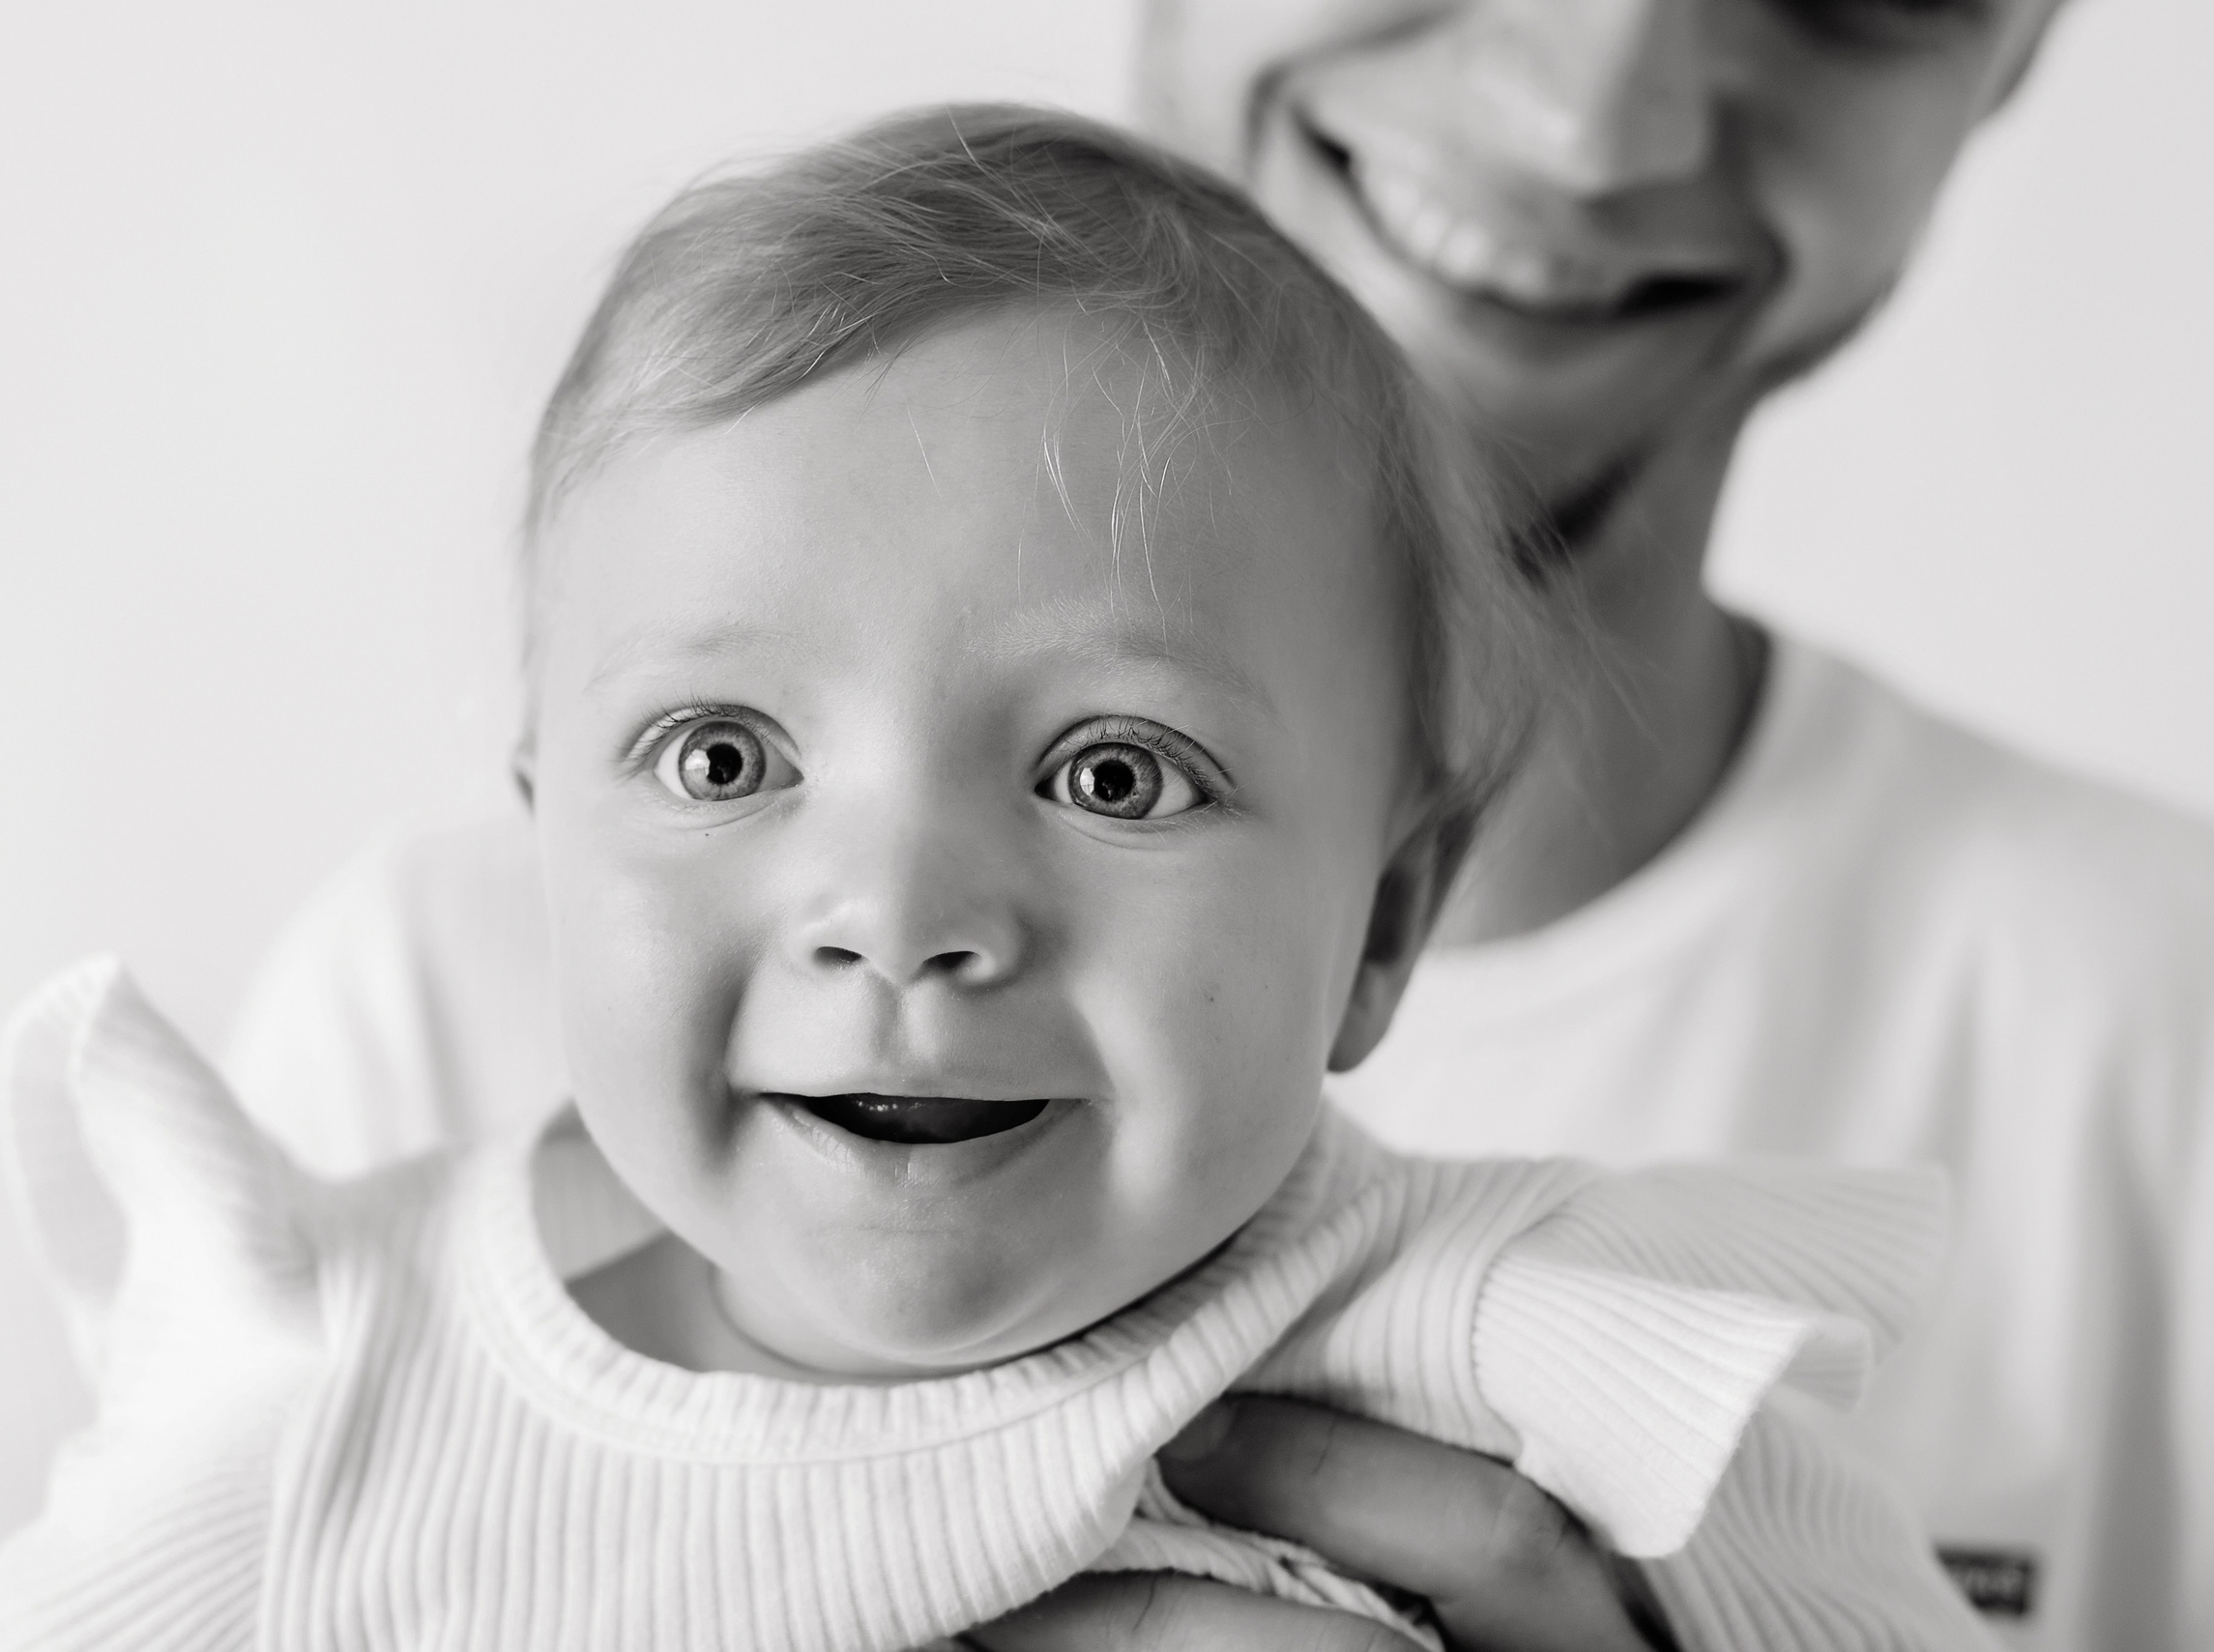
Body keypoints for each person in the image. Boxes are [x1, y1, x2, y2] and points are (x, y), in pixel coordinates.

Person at [231, 4, 2214, 1649]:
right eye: (725, 756)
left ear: (1383, 928)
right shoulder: (381, 1149)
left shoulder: (2099, 1065)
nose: (1589, 116)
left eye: (1114, 775)